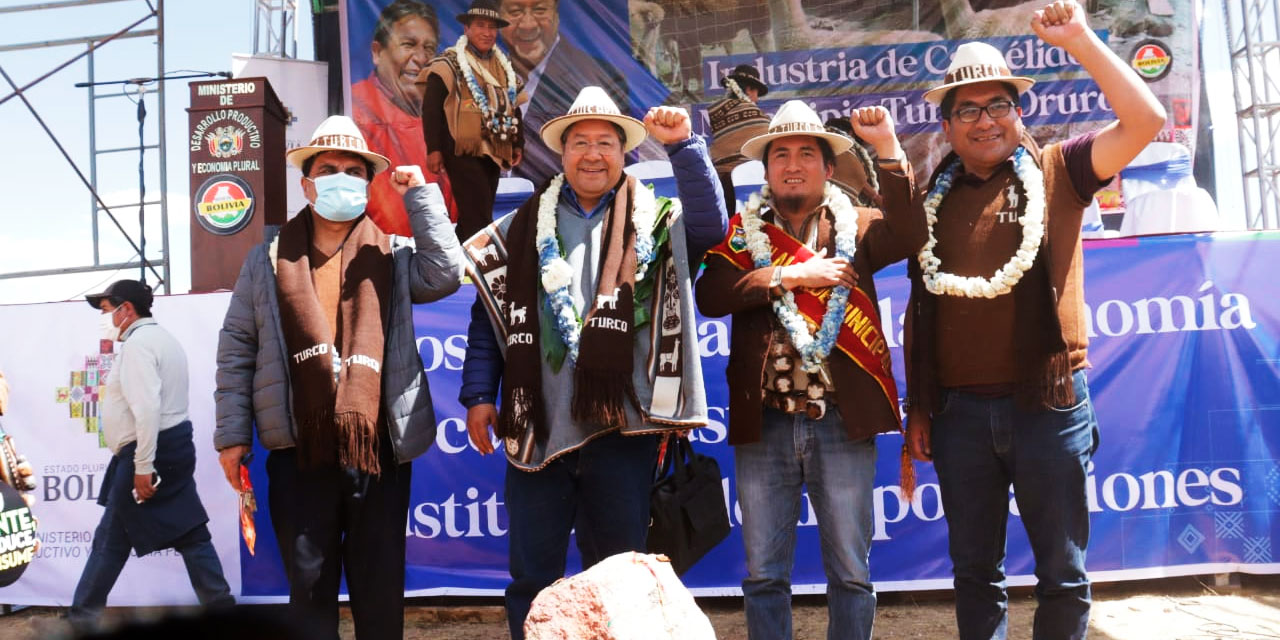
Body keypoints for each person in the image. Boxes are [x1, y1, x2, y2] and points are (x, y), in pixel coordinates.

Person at [894, 3, 1166, 639]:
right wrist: (924, 412)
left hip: (1049, 407)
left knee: (1063, 574)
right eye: (968, 109)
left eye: (999, 106)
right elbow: (919, 317)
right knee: (974, 574)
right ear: (946, 125)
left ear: (1020, 113)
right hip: (958, 415)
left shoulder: (1059, 171)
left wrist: (1080, 40)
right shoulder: (929, 200)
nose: (986, 121)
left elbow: (1147, 119)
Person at [458, 86, 728, 639]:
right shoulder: (521, 226)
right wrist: (480, 394)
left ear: (624, 152)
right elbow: (490, 320)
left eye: (605, 142)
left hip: (622, 430)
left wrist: (683, 148)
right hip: (539, 429)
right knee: (532, 578)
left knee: (620, 575)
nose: (592, 153)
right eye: (580, 141)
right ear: (562, 153)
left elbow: (710, 227)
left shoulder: (653, 218)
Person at [213, 115, 464, 640]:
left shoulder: (391, 253)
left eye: (354, 170)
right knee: (308, 592)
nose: (341, 178)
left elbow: (445, 272)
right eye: (328, 169)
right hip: (299, 451)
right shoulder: (267, 261)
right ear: (307, 183)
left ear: (368, 182)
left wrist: (421, 195)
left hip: (377, 450)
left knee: (379, 591)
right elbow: (237, 347)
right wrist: (232, 434)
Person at [696, 101, 925, 640]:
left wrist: (888, 151)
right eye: (781, 155)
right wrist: (787, 276)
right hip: (766, 425)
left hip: (842, 424)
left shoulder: (859, 226)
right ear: (766, 169)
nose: (792, 164)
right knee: (764, 575)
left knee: (850, 571)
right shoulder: (741, 233)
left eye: (806, 153)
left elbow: (913, 232)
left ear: (827, 168)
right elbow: (709, 295)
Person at [71, 279, 234, 628]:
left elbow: (147, 410)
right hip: (169, 448)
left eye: (106, 311)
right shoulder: (163, 340)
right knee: (190, 534)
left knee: (109, 543)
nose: (106, 319)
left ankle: (80, 621)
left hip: (149, 453)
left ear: (126, 309)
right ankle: (224, 612)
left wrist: (143, 466)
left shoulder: (138, 346)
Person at [351, 0, 459, 235]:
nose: (421, 58)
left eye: (429, 48)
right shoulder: (353, 110)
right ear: (377, 52)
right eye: (408, 44)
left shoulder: (447, 115)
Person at [497, 0, 634, 185]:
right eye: (514, 12)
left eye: (539, 10)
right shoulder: (484, 78)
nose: (527, 24)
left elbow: (612, 164)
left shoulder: (599, 79)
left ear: (556, 17)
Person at [421, 0, 525, 241]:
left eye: (492, 27)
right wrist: (434, 149)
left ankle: (460, 260)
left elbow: (514, 107)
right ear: (467, 28)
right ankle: (479, 262)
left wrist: (518, 143)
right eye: (480, 25)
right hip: (460, 150)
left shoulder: (503, 67)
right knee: (477, 212)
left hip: (495, 147)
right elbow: (432, 109)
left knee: (478, 210)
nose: (487, 33)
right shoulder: (447, 64)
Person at [707, 64, 770, 215]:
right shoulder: (754, 113)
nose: (756, 99)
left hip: (721, 184)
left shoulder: (717, 114)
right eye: (756, 93)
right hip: (751, 186)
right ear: (749, 89)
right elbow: (769, 143)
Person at [823, 116, 882, 208]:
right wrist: (876, 197)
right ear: (851, 133)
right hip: (839, 205)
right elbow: (856, 176)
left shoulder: (821, 147)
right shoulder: (843, 149)